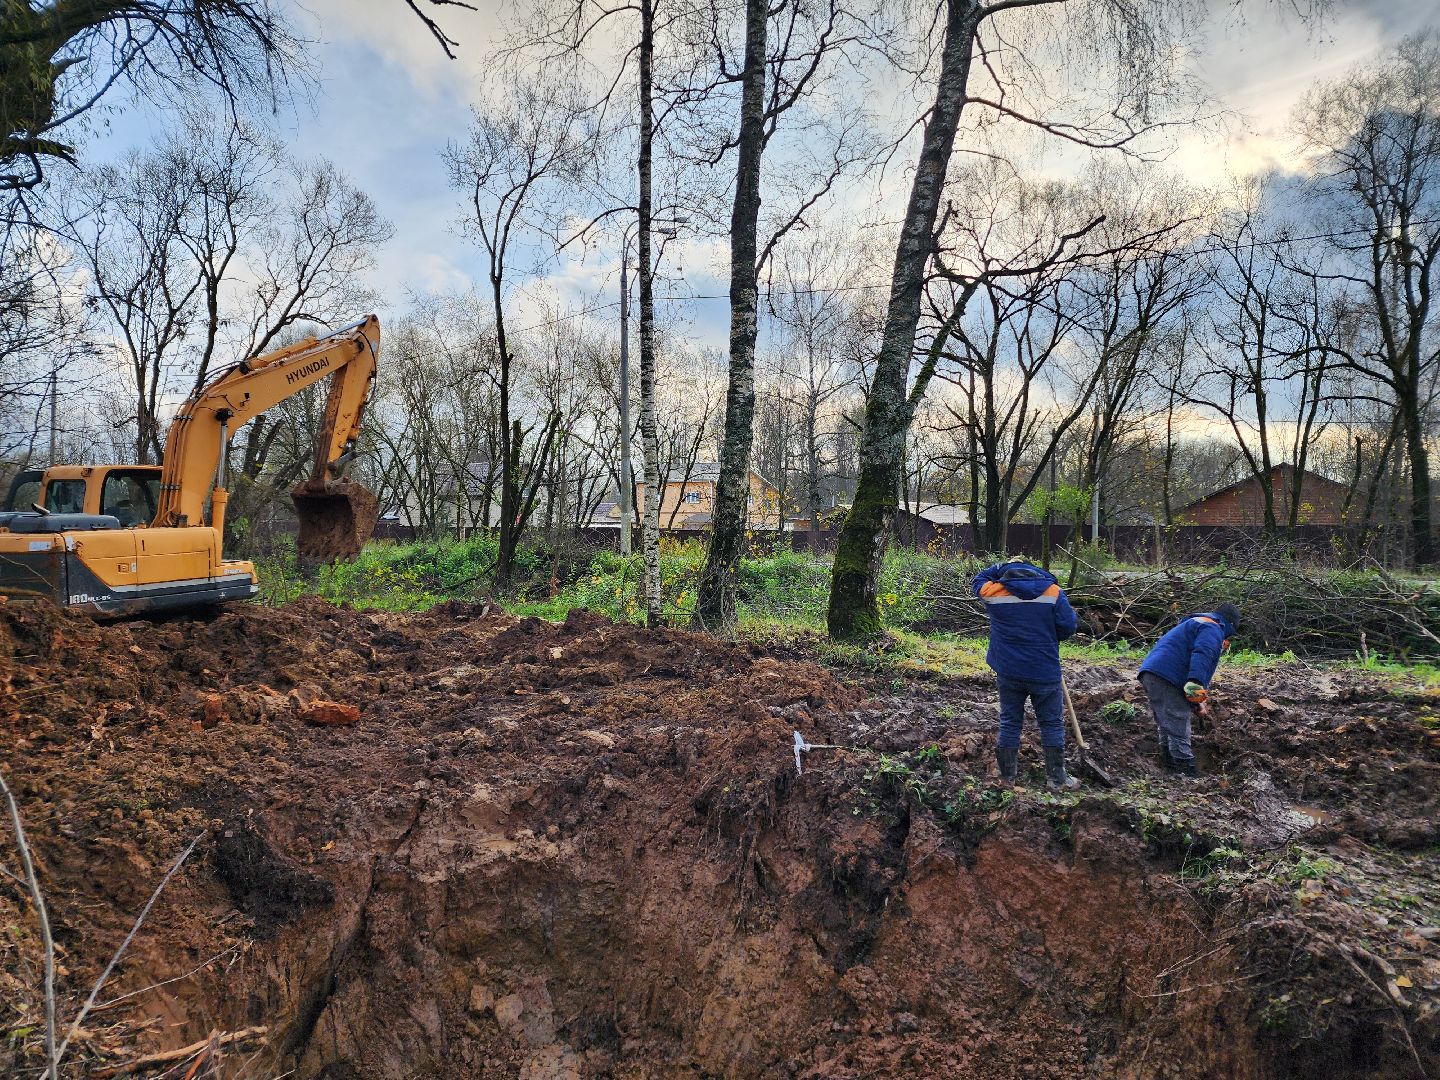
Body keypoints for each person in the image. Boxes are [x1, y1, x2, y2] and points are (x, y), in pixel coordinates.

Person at [972, 557, 1080, 791]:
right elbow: (1069, 626)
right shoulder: (1053, 592)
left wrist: (1000, 566)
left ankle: (1007, 776)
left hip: (1009, 670)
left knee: (1010, 720)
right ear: (1036, 571)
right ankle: (1057, 779)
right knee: (1051, 723)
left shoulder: (995, 592)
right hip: (1044, 669)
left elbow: (978, 579)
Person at [1137, 603, 1241, 778]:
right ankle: (1187, 772)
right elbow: (1202, 656)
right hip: (1168, 675)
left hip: (1151, 673)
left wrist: (1197, 701)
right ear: (1230, 625)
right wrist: (1195, 688)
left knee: (1166, 722)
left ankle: (1169, 767)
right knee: (1178, 723)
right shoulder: (1213, 628)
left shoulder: (1195, 622)